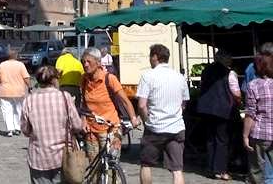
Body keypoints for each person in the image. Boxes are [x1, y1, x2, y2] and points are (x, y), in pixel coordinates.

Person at [137, 44, 190, 184]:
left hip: (155, 127)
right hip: (176, 127)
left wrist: (146, 120)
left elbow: (142, 105)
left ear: (155, 57)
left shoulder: (147, 76)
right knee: (177, 169)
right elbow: (184, 103)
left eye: (150, 56)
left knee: (146, 165)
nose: (149, 59)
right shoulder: (179, 77)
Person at [21, 65, 82, 184]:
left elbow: (25, 130)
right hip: (62, 157)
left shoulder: (29, 100)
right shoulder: (65, 97)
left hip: (38, 158)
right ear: (54, 80)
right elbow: (77, 125)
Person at [80, 47, 140, 162]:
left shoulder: (109, 79)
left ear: (98, 63)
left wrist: (133, 118)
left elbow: (125, 101)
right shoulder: (83, 79)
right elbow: (83, 103)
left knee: (111, 165)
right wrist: (83, 120)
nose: (85, 65)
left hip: (111, 128)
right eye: (83, 62)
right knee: (94, 166)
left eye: (88, 61)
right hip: (91, 130)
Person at [196, 50, 241, 180]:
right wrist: (238, 102)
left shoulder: (206, 71)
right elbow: (236, 93)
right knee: (222, 140)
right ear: (225, 59)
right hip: (222, 109)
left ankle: (210, 168)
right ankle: (221, 170)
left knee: (210, 139)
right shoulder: (229, 73)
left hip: (206, 109)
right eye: (229, 58)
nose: (231, 60)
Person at [244, 44, 273, 184]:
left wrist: (244, 135)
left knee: (257, 171)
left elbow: (250, 114)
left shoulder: (253, 85)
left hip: (260, 133)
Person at [0, 48, 30, 137]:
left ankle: (10, 129)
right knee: (19, 110)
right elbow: (26, 78)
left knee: (7, 111)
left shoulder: (2, 65)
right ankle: (17, 128)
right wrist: (29, 86)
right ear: (16, 56)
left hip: (4, 92)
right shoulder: (20, 65)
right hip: (18, 91)